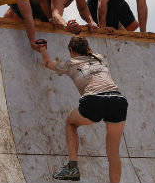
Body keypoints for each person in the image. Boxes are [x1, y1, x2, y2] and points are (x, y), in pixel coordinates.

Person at [38, 36, 128, 183]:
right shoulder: (99, 58)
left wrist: (42, 47)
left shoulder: (70, 63)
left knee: (71, 123)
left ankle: (72, 166)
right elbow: (88, 49)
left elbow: (48, 63)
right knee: (113, 154)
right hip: (118, 100)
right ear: (88, 49)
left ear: (71, 50)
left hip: (94, 99)